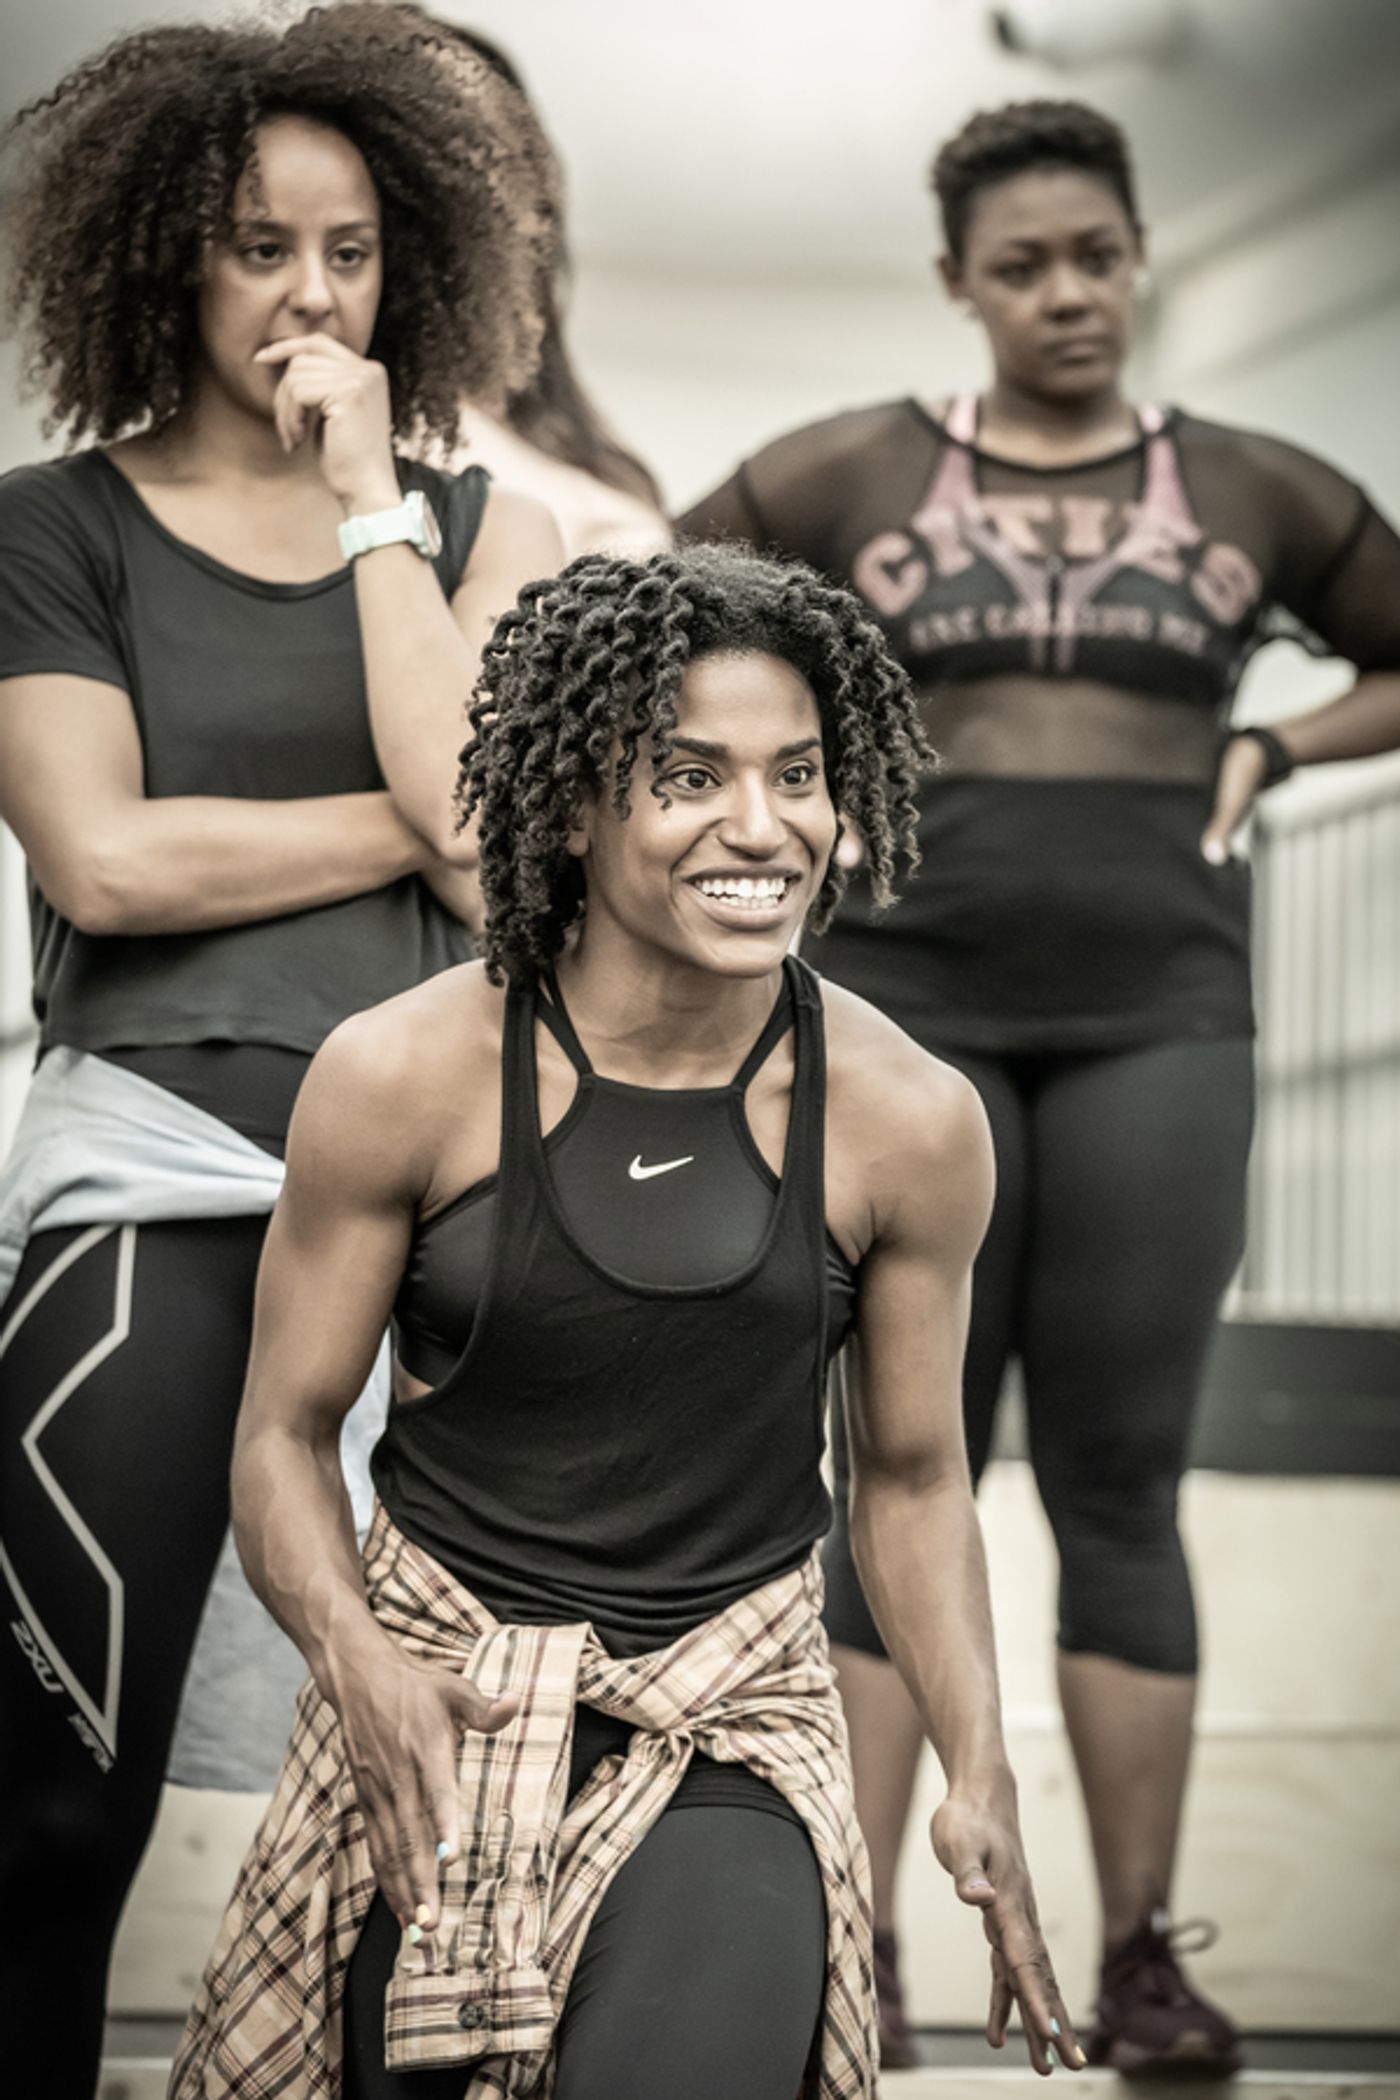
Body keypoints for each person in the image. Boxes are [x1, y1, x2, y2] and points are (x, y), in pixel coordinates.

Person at [677, 98, 1400, 2077]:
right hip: (901, 1033)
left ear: (1138, 251)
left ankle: (1143, 1954)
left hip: (1160, 1024)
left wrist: (1274, 751)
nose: (1065, 292)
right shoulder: (846, 468)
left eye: (1094, 253)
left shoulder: (1252, 482)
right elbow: (656, 627)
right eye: (1021, 265)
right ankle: (864, 1942)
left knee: (1117, 1493)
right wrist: (780, 800)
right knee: (888, 1481)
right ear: (957, 286)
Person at [170, 542, 1084, 2099]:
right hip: (442, 1709)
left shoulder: (907, 1120)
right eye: (691, 776)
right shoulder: (401, 1075)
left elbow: (915, 1480)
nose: (762, 827)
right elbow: (284, 1436)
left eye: (799, 774)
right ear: (577, 808)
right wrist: (359, 1663)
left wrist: (978, 1767)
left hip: (730, 1719)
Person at [0, 10, 565, 2092]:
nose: (308, 297)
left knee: (441, 1811)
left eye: (346, 252)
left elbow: (507, 868)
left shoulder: (489, 528)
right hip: (152, 1163)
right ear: (169, 258)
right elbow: (106, 856)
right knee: (57, 1793)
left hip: (446, 1190)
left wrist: (367, 507)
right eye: (257, 247)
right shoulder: (50, 525)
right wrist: (426, 816)